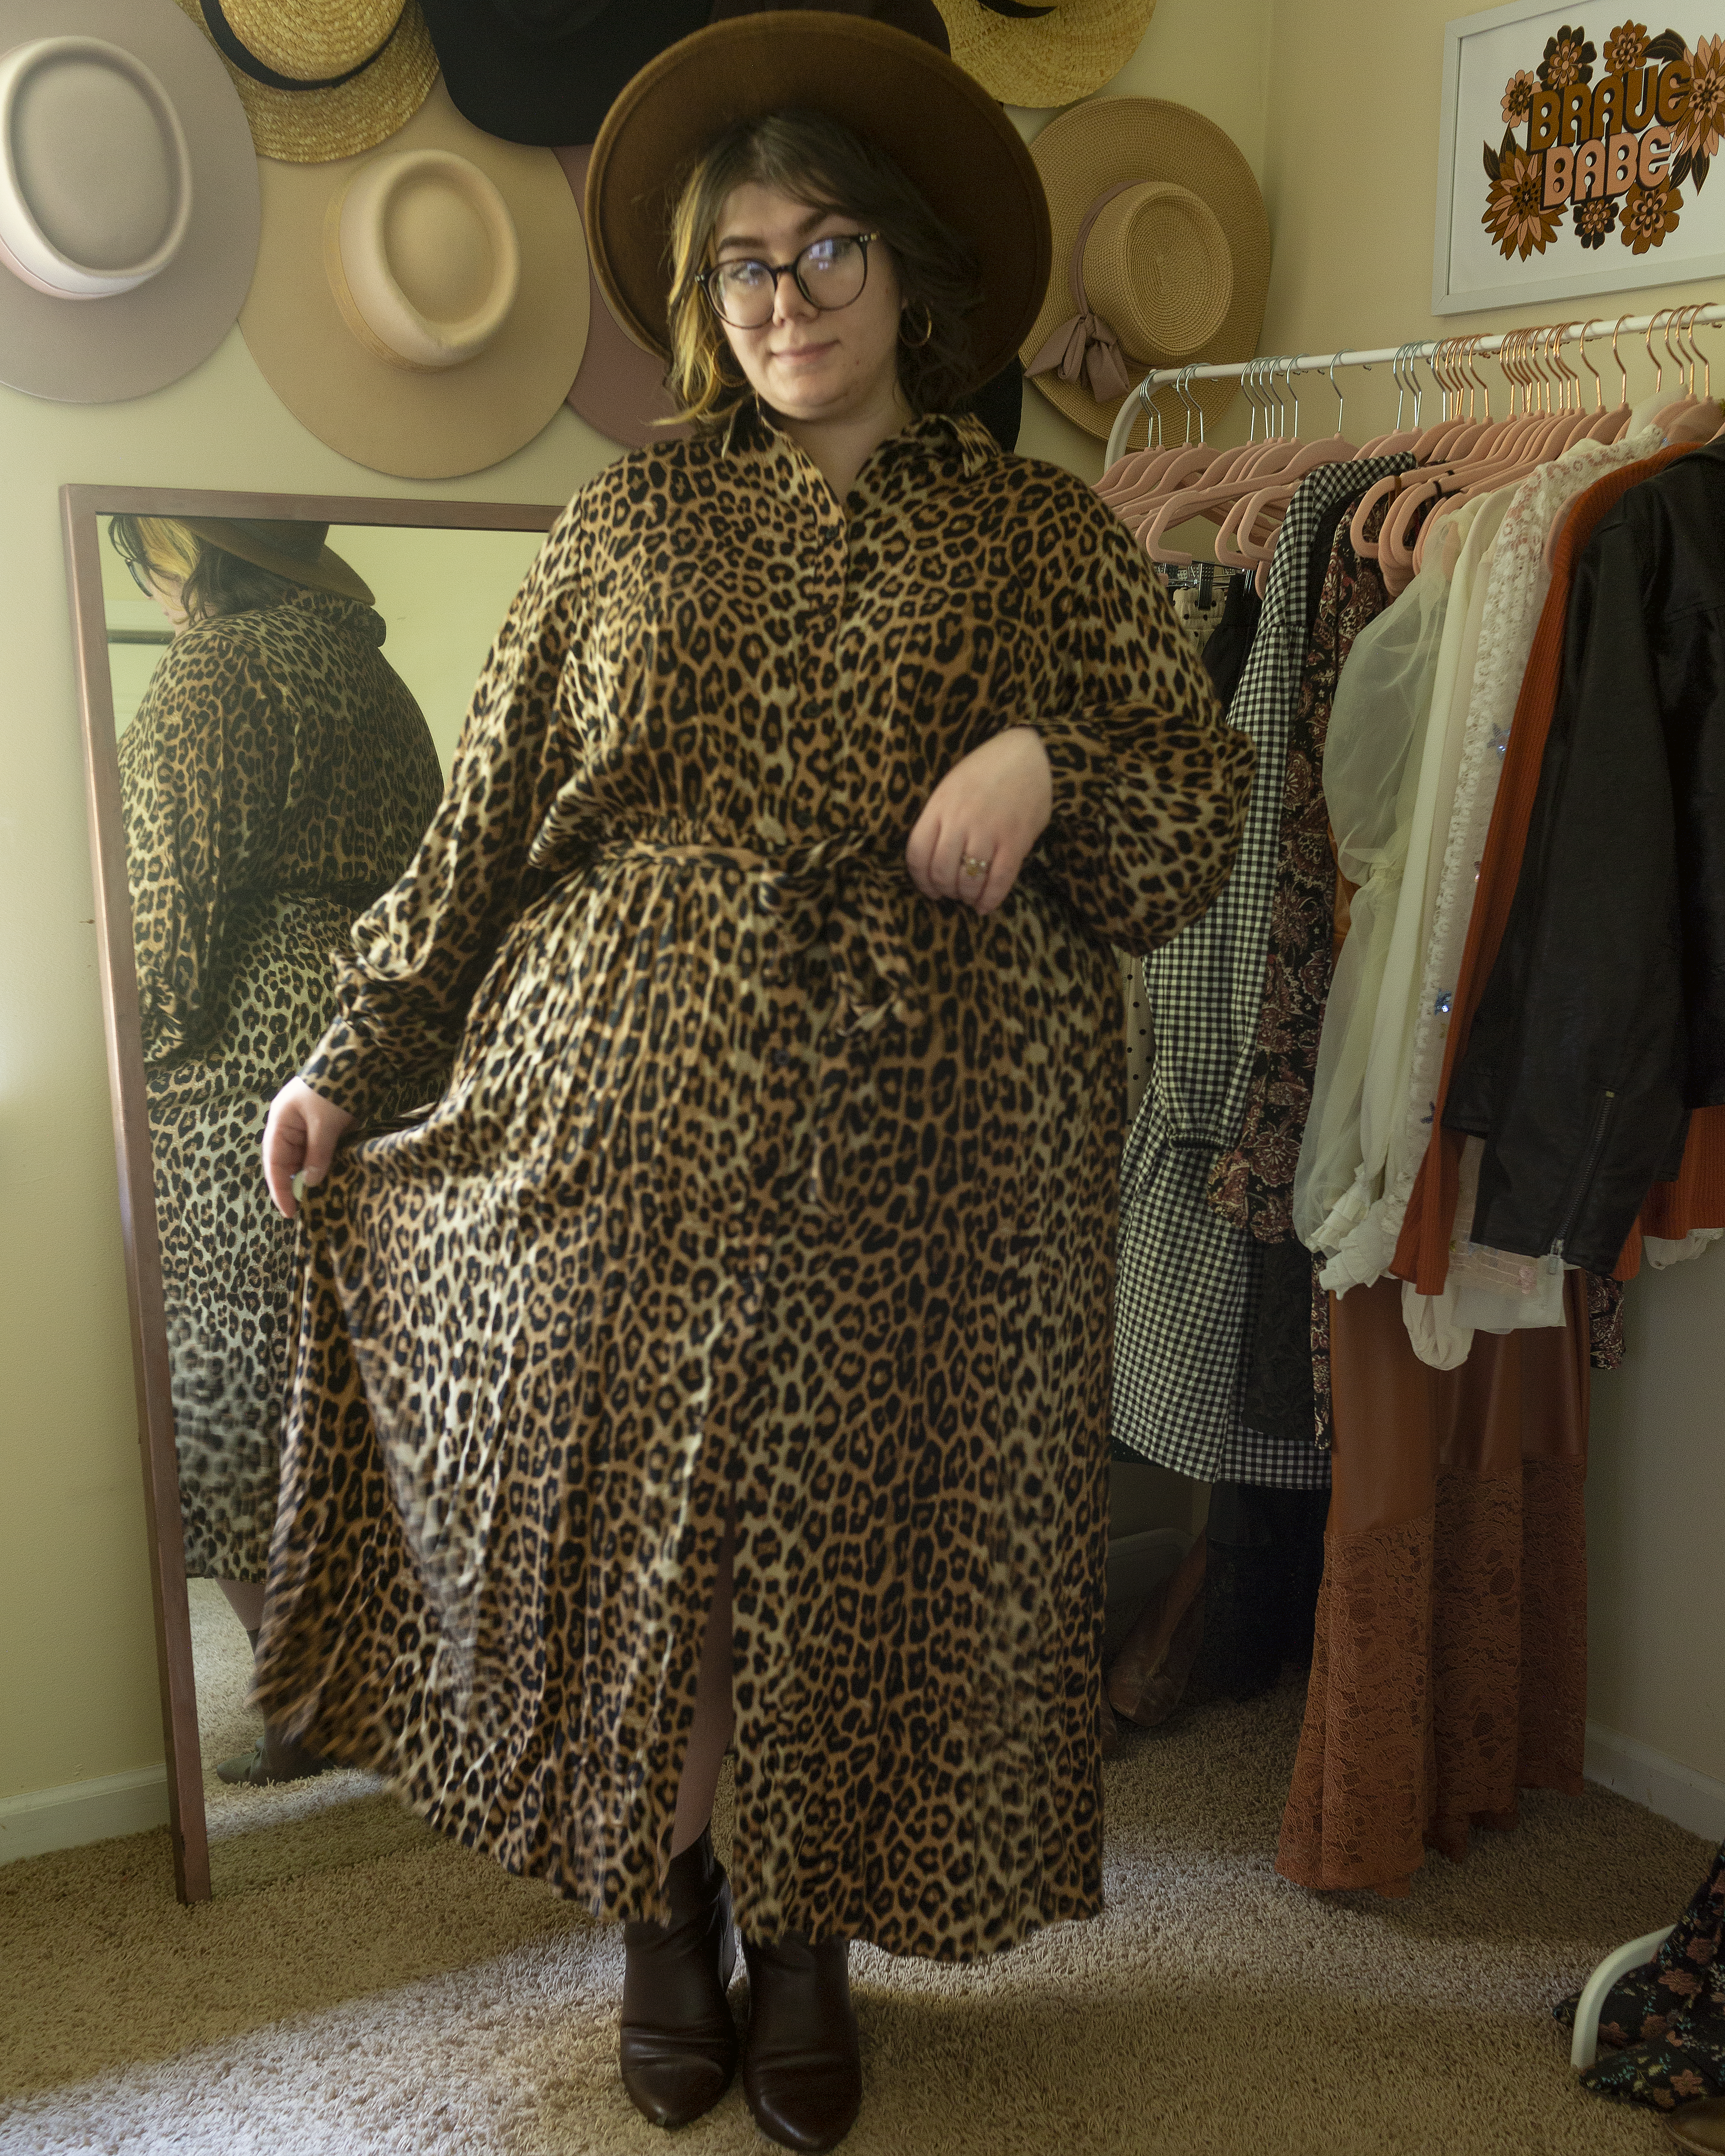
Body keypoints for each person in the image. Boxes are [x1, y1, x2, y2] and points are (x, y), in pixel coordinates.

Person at [254, 16, 1252, 2149]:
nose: (784, 299)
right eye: (743, 266)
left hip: (939, 1160)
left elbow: (1192, 816)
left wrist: (1044, 758)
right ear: (703, 302)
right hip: (626, 1123)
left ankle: (808, 1940)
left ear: (904, 270)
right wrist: (353, 1059)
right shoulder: (623, 531)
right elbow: (481, 833)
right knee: (666, 1550)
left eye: (822, 253)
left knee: (863, 1543)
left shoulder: (1047, 540)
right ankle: (667, 1907)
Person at [114, 515, 444, 1785]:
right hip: (381, 1046)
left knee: (235, 1385)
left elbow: (164, 912)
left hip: (250, 1069)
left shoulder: (213, 674)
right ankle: (393, 1668)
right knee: (369, 1369)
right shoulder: (375, 678)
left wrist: (137, 1040)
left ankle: (304, 1695)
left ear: (180, 563)